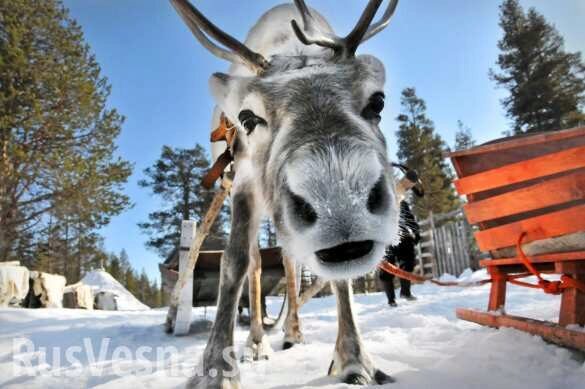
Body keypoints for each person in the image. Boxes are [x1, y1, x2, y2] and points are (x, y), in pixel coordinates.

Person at [379, 200, 421, 307]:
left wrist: (416, 232)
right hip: (385, 239)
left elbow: (409, 218)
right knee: (386, 270)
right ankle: (391, 300)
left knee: (408, 263)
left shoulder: (401, 201)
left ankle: (405, 292)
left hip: (403, 237)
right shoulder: (375, 200)